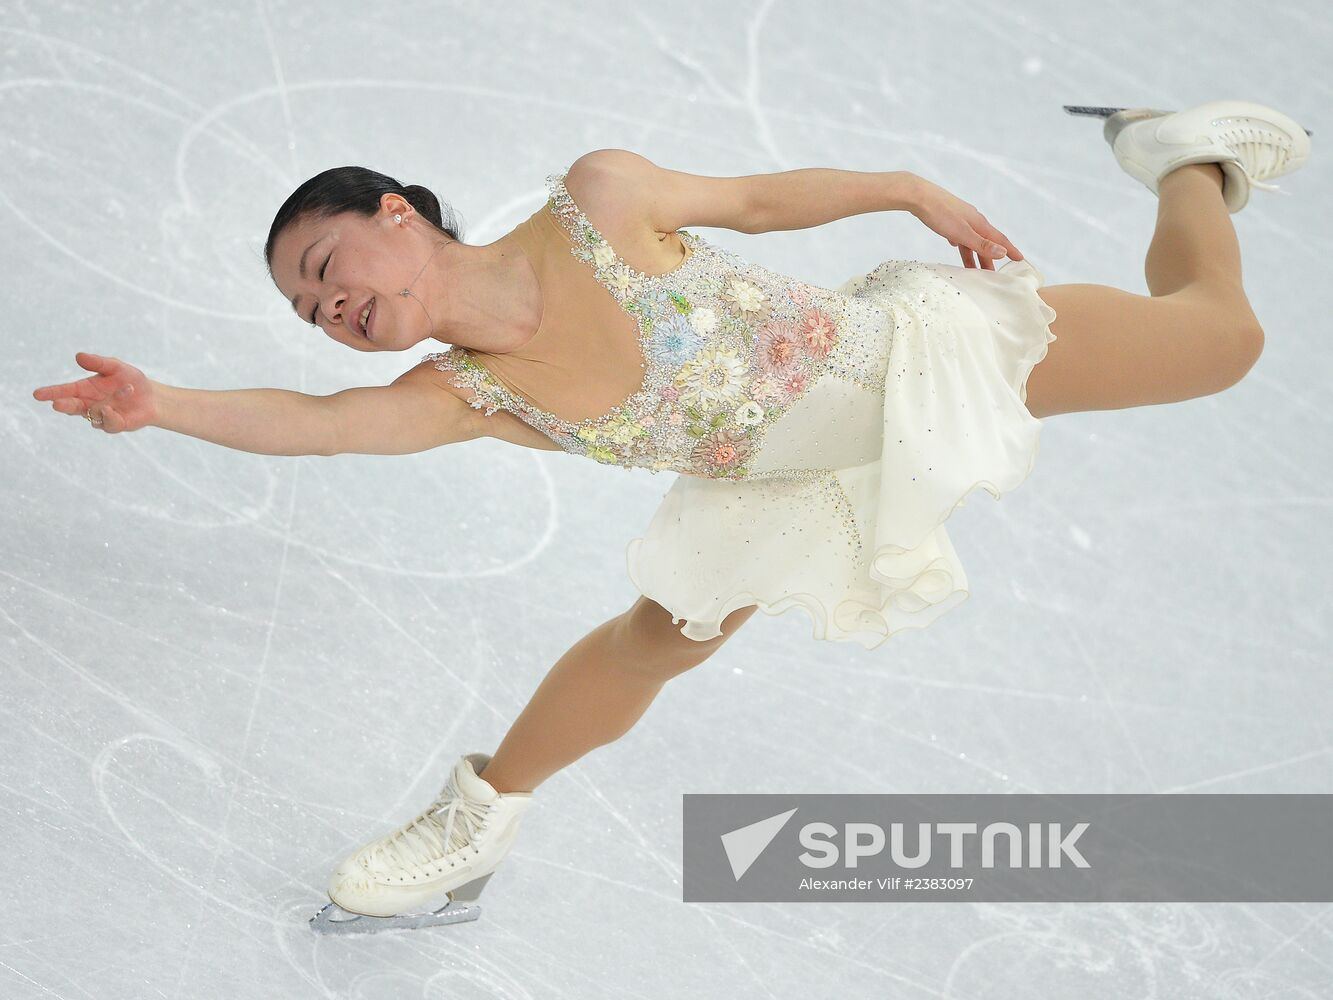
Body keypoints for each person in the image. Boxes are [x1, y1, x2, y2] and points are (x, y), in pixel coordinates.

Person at [31, 99, 1310, 933]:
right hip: (783, 477)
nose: (331, 311)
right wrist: (163, 405)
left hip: (909, 365)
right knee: (660, 634)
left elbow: (756, 203)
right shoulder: (470, 394)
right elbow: (317, 423)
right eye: (309, 313)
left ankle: (1182, 158)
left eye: (326, 269)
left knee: (1223, 337)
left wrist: (902, 185)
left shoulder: (595, 202)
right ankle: (475, 822)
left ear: (395, 215)